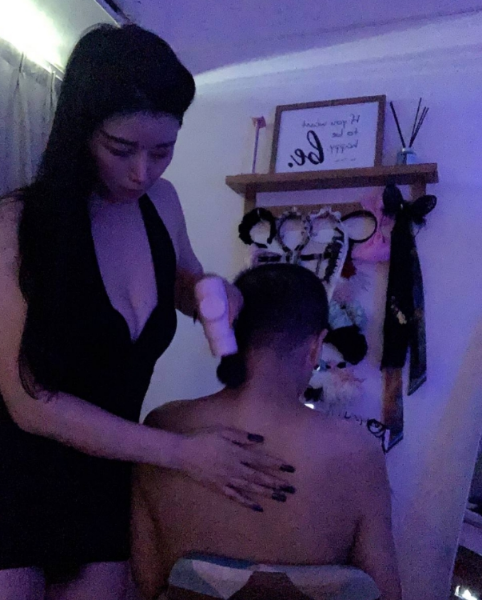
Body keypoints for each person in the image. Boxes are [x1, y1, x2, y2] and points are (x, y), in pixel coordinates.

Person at [0, 25, 295, 600]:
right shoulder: (17, 223)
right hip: (14, 475)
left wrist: (210, 293)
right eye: (121, 150)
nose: (142, 172)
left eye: (162, 151)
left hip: (108, 475)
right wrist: (184, 455)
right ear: (81, 130)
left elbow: (183, 281)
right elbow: (27, 401)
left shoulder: (162, 203)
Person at [132, 264, 402, 600]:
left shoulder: (164, 428)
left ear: (229, 331)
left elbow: (146, 581)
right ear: (315, 347)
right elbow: (384, 592)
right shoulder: (358, 450)